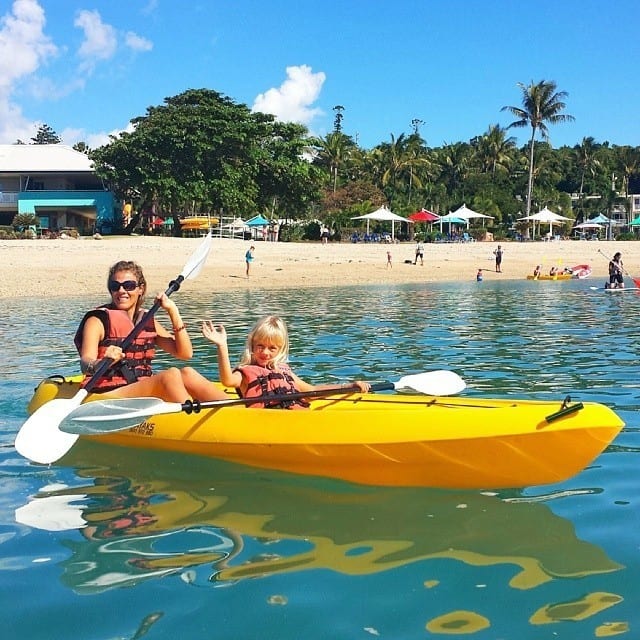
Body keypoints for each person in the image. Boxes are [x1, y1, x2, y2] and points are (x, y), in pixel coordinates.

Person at [74, 260, 227, 402]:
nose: (121, 291)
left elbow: (185, 353)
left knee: (188, 374)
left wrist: (173, 311)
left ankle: (236, 411)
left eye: (128, 285)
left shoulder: (146, 321)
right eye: (115, 286)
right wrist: (100, 363)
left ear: (141, 289)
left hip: (140, 387)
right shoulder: (97, 320)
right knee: (170, 376)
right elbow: (85, 362)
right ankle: (192, 421)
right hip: (106, 393)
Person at [200, 315, 371, 409]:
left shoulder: (283, 370)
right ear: (252, 345)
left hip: (295, 416)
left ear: (280, 349)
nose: (265, 352)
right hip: (268, 424)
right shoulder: (245, 372)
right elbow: (227, 381)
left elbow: (311, 391)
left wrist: (347, 387)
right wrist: (222, 346)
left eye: (272, 348)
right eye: (260, 346)